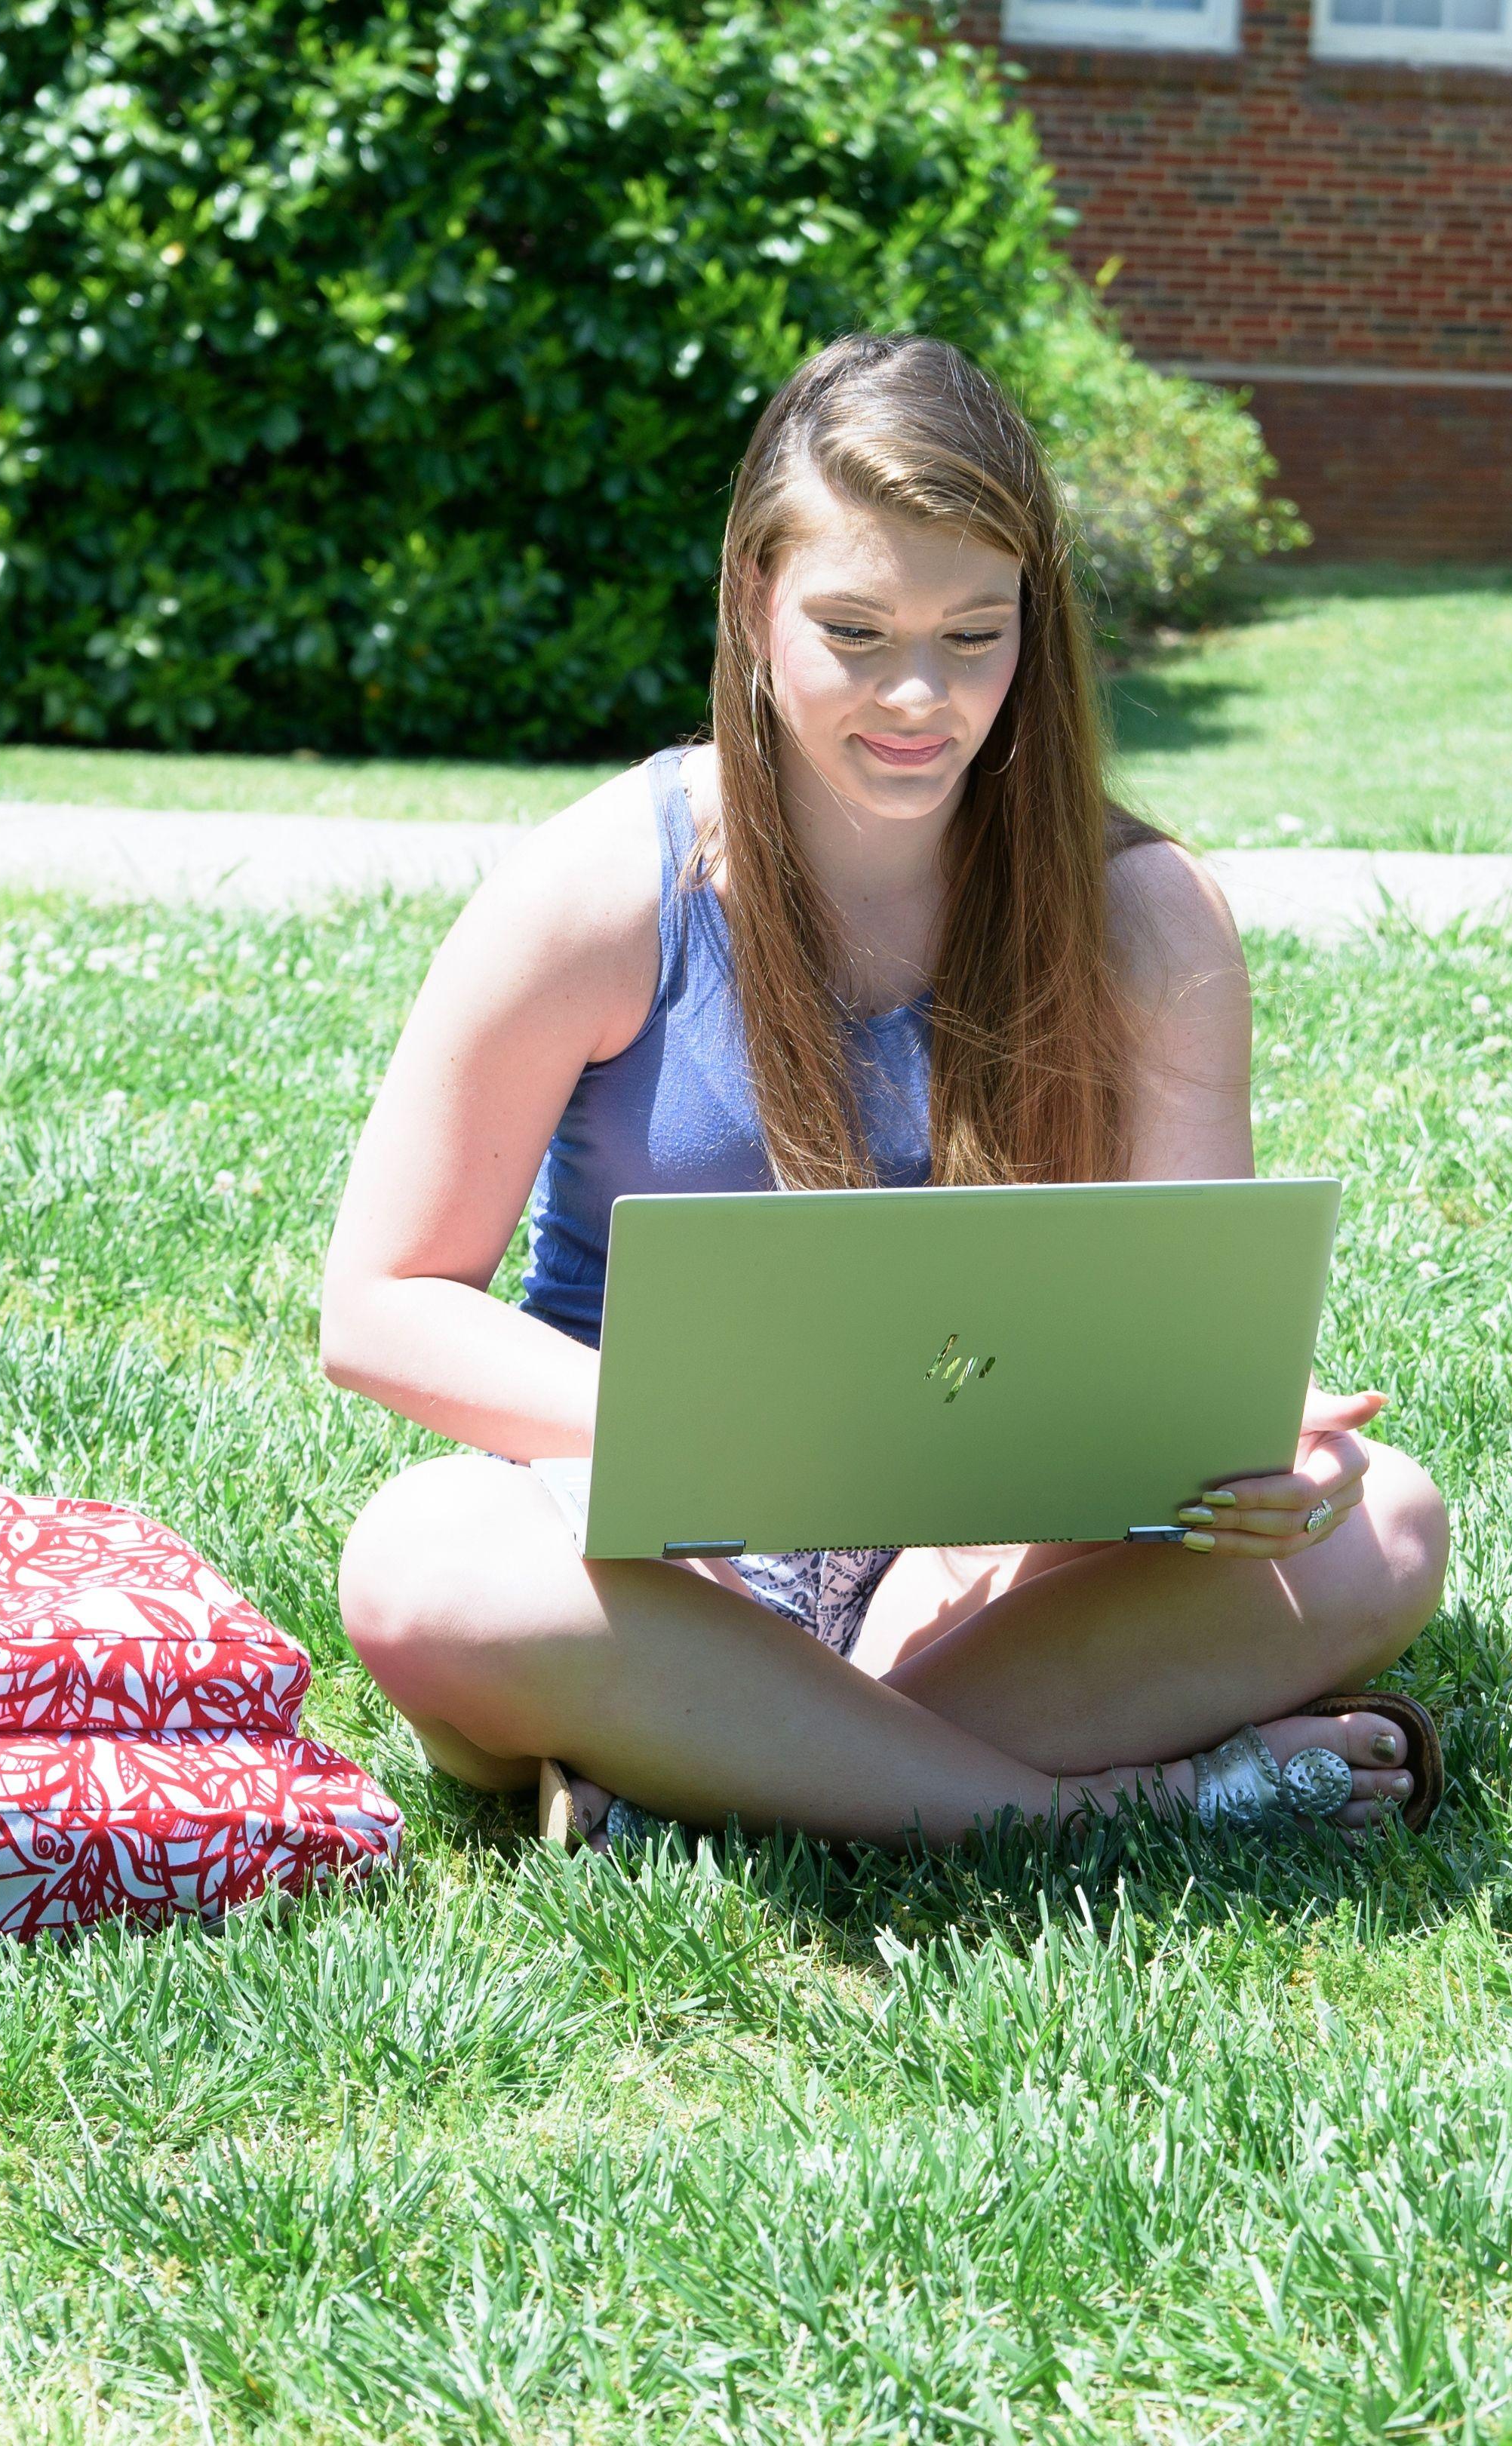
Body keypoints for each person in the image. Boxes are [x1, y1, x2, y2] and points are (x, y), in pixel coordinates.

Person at [324, 334, 1449, 1848]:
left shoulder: (1146, 917)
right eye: (853, 631)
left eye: (972, 636)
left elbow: (1176, 1334)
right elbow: (382, 1302)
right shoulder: (603, 884)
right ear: (752, 604)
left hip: (979, 1570)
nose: (917, 696)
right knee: (421, 1559)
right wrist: (710, 1433)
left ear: (1031, 632)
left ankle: (714, 1771)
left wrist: (1243, 1450)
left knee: (1387, 1520)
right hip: (649, 1548)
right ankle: (1102, 1803)